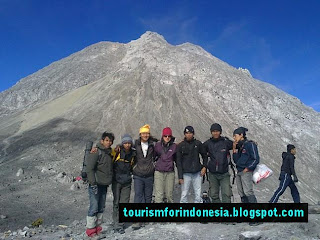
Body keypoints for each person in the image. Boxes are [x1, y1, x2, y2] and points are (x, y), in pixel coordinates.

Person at [85, 132, 115, 239]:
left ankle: (97, 229)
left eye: (110, 141)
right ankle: (90, 231)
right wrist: (93, 183)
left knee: (101, 207)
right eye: (107, 140)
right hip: (96, 184)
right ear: (102, 141)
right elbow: (89, 168)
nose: (109, 142)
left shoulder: (109, 152)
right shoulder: (96, 152)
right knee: (94, 206)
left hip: (104, 184)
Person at [131, 124, 157, 230]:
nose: (145, 135)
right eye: (143, 133)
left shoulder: (153, 144)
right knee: (138, 196)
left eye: (147, 133)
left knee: (148, 196)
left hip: (149, 174)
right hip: (138, 174)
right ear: (140, 134)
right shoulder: (135, 144)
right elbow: (125, 148)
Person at [176, 126, 208, 203]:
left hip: (197, 173)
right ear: (184, 134)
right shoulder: (181, 146)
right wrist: (180, 176)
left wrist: (204, 167)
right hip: (185, 174)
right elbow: (178, 162)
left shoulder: (198, 144)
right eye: (187, 133)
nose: (189, 135)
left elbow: (205, 156)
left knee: (198, 194)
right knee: (184, 194)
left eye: (190, 133)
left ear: (193, 134)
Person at [112, 134, 136, 234]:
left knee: (124, 203)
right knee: (116, 202)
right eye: (125, 143)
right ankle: (116, 223)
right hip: (116, 181)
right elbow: (107, 153)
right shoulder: (116, 151)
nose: (127, 145)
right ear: (122, 143)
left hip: (127, 182)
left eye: (129, 143)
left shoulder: (133, 154)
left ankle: (120, 224)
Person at [203, 123, 233, 203]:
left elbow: (238, 145)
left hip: (224, 174)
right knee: (213, 195)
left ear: (220, 132)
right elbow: (197, 148)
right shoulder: (208, 143)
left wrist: (249, 142)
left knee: (227, 194)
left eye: (217, 131)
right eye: (213, 131)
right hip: (212, 174)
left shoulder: (226, 142)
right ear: (211, 132)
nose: (215, 133)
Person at [232, 127, 259, 203]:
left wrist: (248, 168)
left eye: (235, 135)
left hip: (246, 171)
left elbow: (256, 159)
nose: (234, 138)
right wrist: (234, 150)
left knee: (248, 192)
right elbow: (236, 161)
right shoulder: (241, 146)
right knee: (241, 193)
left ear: (241, 135)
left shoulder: (250, 144)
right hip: (239, 171)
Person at [154, 127, 177, 203]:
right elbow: (153, 157)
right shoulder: (157, 145)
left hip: (170, 172)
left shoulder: (174, 146)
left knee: (169, 195)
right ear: (162, 136)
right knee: (159, 195)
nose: (167, 138)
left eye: (169, 136)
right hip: (159, 172)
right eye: (165, 136)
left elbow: (177, 159)